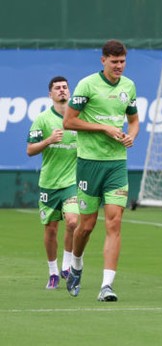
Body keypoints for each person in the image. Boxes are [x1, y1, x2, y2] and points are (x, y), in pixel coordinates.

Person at [63, 40, 139, 301]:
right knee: (85, 226)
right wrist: (104, 128)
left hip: (117, 164)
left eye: (122, 62)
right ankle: (76, 263)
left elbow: (134, 119)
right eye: (114, 62)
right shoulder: (87, 85)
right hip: (89, 163)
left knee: (114, 222)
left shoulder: (128, 86)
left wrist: (132, 135)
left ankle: (107, 285)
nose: (119, 66)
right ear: (103, 60)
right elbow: (69, 121)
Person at [28, 76, 79, 290]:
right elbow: (30, 150)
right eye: (57, 88)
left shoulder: (78, 118)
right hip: (49, 183)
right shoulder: (42, 120)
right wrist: (48, 140)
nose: (62, 91)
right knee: (50, 229)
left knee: (73, 222)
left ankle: (67, 265)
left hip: (72, 182)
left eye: (65, 87)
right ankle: (53, 272)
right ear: (50, 94)